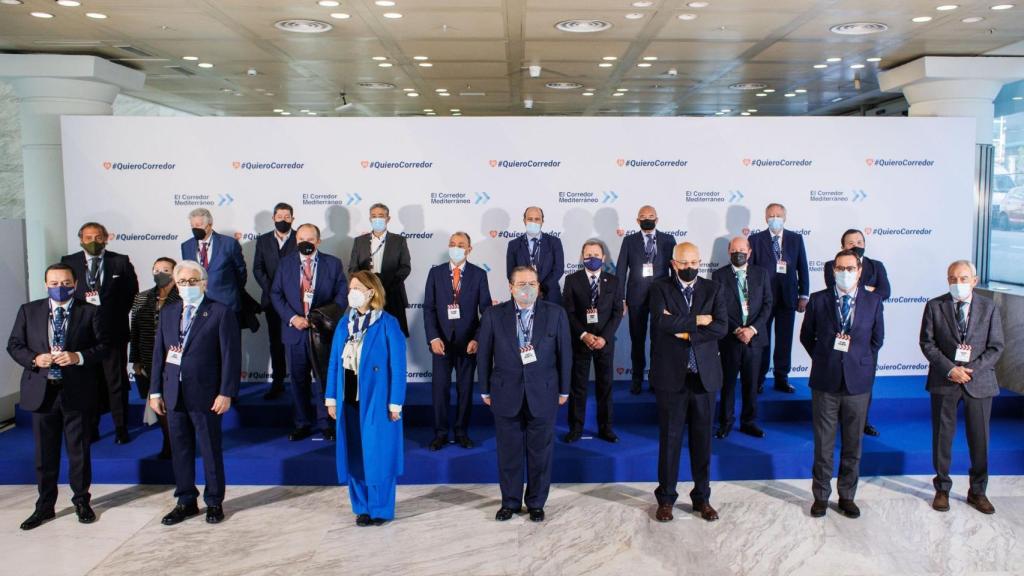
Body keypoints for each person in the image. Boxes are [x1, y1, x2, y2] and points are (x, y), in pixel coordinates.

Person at [7, 263, 109, 530]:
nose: (59, 287)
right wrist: (33, 359)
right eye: (53, 283)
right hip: (42, 392)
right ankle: (45, 506)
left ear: (75, 284)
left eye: (64, 283)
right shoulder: (29, 311)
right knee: (44, 453)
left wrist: (79, 356)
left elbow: (104, 347)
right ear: (45, 284)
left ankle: (81, 501)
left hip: (76, 391)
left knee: (79, 451)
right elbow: (14, 344)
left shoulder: (90, 312)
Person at [149, 260, 240, 526]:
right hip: (173, 392)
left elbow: (230, 357)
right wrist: (155, 391)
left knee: (210, 449)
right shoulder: (168, 311)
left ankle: (214, 501)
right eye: (182, 282)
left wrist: (226, 392)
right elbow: (159, 354)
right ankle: (186, 500)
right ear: (175, 284)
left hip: (207, 394)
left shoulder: (220, 312)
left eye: (192, 281)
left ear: (204, 283)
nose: (187, 286)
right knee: (180, 450)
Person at [478, 266, 572, 522]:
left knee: (541, 452)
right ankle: (509, 502)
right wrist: (484, 388)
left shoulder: (556, 314)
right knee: (508, 452)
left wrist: (564, 389)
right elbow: (484, 355)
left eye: (532, 283)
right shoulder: (493, 315)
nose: (527, 288)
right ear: (510, 287)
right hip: (505, 392)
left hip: (543, 393)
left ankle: (536, 503)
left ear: (539, 286)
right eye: (521, 284)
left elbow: (565, 355)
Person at [800, 250, 884, 519]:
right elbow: (806, 337)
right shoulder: (818, 300)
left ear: (859, 271)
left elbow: (876, 340)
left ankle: (847, 495)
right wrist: (826, 357)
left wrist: (856, 362)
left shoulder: (873, 301)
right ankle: (821, 497)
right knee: (823, 445)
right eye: (839, 268)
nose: (844, 272)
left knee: (852, 445)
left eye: (850, 268)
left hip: (858, 383)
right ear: (833, 270)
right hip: (825, 381)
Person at [649, 243, 728, 523]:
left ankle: (702, 499)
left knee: (702, 442)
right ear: (673, 264)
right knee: (669, 441)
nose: (689, 267)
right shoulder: (660, 288)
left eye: (694, 261)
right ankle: (666, 500)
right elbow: (661, 323)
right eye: (684, 263)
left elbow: (721, 326)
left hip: (704, 378)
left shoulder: (713, 288)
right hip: (671, 378)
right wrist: (699, 320)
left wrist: (686, 332)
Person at [919, 260, 1004, 515]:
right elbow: (927, 343)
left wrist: (971, 370)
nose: (958, 283)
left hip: (978, 382)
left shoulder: (989, 308)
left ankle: (978, 491)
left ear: (974, 281)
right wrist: (951, 369)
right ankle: (942, 488)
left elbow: (996, 346)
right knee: (942, 437)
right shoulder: (935, 306)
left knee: (980, 440)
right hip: (945, 380)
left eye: (964, 278)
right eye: (953, 279)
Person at [324, 271, 407, 526]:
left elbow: (398, 366)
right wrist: (331, 398)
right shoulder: (344, 323)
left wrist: (395, 402)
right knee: (355, 453)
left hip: (376, 401)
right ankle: (361, 507)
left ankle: (380, 508)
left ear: (372, 292)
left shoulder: (387, 323)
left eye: (358, 287)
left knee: (378, 454)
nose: (353, 292)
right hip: (348, 397)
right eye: (351, 287)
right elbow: (334, 363)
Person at [61, 222, 138, 444]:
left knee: (116, 382)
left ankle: (121, 428)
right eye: (88, 237)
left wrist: (109, 318)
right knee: (89, 383)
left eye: (98, 237)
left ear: (106, 238)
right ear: (80, 239)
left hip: (113, 333)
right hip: (83, 336)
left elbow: (130, 293)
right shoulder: (69, 262)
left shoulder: (120, 261)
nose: (93, 241)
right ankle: (91, 427)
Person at [272, 224, 348, 442]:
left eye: (310, 239)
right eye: (301, 238)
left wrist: (324, 317)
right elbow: (276, 294)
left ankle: (326, 423)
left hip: (322, 333)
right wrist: (293, 318)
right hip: (294, 332)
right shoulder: (285, 264)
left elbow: (342, 295)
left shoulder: (333, 264)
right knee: (298, 380)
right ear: (296, 241)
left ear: (319, 241)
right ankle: (302, 423)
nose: (305, 242)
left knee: (324, 379)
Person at [423, 232, 492, 450]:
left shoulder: (479, 275)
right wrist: (433, 337)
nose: (456, 247)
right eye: (452, 244)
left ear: (469, 249)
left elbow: (486, 311)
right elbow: (428, 309)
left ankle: (461, 431)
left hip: (467, 344)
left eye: (461, 245)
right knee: (440, 390)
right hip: (441, 344)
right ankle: (441, 433)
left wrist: (477, 339)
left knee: (465, 390)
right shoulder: (435, 273)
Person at [824, 228, 891, 437]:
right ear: (843, 246)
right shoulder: (831, 266)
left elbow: (885, 292)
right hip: (837, 331)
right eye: (851, 242)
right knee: (836, 376)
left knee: (864, 379)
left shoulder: (876, 266)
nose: (856, 245)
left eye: (860, 241)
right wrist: (868, 291)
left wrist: (865, 292)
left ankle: (863, 420)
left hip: (865, 334)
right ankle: (836, 418)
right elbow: (836, 289)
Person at [563, 240, 624, 443]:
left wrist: (604, 338)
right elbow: (569, 312)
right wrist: (584, 335)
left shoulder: (614, 281)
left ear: (603, 258)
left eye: (596, 255)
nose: (592, 258)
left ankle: (606, 428)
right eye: (588, 255)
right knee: (578, 387)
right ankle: (575, 429)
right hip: (580, 341)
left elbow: (617, 313)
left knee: (605, 387)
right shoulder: (572, 280)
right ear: (582, 257)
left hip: (604, 343)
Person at [711, 236, 772, 439]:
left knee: (751, 383)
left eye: (742, 250)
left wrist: (752, 329)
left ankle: (749, 422)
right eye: (734, 249)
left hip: (755, 338)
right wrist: (738, 329)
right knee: (728, 383)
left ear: (750, 252)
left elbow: (767, 304)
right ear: (729, 252)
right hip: (731, 338)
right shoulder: (718, 276)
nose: (739, 253)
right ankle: (726, 422)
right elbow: (719, 307)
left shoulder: (761, 274)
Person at [615, 205, 676, 394]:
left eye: (650, 216)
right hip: (636, 297)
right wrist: (621, 298)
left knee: (658, 339)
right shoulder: (629, 241)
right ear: (637, 220)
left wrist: (674, 299)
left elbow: (675, 271)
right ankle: (637, 378)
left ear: (657, 220)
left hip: (661, 298)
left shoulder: (668, 240)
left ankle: (656, 379)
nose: (647, 219)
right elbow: (620, 271)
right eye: (643, 216)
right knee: (638, 339)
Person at [749, 203, 809, 394]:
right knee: (762, 340)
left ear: (785, 217)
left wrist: (804, 295)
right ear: (765, 218)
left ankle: (781, 378)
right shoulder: (755, 239)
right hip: (763, 300)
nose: (775, 218)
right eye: (771, 215)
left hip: (788, 298)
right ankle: (758, 378)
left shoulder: (796, 239)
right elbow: (751, 271)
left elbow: (803, 268)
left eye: (778, 215)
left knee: (785, 340)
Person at [129, 257, 180, 459]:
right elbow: (135, 331)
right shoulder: (141, 298)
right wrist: (135, 359)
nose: (160, 273)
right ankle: (168, 442)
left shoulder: (183, 297)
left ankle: (176, 443)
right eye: (156, 269)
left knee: (173, 404)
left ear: (175, 273)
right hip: (150, 359)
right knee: (158, 404)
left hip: (175, 360)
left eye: (166, 269)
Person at [253, 202, 297, 400]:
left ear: (292, 219)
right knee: (276, 343)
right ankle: (278, 383)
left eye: (287, 217)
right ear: (273, 218)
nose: (283, 220)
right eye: (279, 217)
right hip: (271, 301)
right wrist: (274, 292)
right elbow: (258, 269)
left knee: (296, 343)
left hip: (295, 302)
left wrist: (288, 292)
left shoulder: (300, 238)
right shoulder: (262, 241)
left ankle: (299, 383)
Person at [349, 203, 412, 337]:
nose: (377, 219)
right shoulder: (359, 242)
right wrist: (366, 286)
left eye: (381, 216)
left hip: (392, 294)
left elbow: (405, 267)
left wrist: (384, 284)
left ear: (388, 219)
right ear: (370, 218)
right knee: (367, 335)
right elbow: (353, 268)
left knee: (394, 334)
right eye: (374, 216)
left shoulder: (399, 241)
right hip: (365, 296)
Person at [180, 208, 247, 314]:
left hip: (226, 304)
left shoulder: (229, 243)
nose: (195, 229)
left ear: (210, 224)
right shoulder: (186, 246)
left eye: (199, 225)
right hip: (198, 305)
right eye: (192, 226)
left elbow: (240, 273)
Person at [505, 207, 564, 305]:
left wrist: (539, 287)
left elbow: (558, 269)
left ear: (542, 221)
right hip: (522, 294)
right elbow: (511, 273)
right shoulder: (513, 244)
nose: (533, 222)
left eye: (537, 219)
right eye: (530, 219)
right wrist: (528, 288)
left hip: (549, 294)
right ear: (524, 221)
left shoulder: (554, 242)